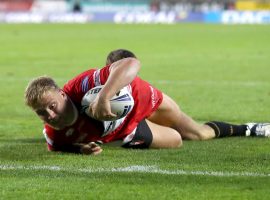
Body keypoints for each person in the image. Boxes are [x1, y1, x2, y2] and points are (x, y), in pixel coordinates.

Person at [24, 49, 270, 155]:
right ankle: (129, 132)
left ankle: (248, 128)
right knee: (175, 141)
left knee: (197, 134)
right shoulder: (54, 135)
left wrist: (105, 96)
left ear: (63, 94)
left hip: (140, 97)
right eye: (41, 113)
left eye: (51, 106)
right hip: (126, 130)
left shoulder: (81, 86)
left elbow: (133, 63)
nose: (50, 115)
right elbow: (58, 146)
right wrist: (81, 149)